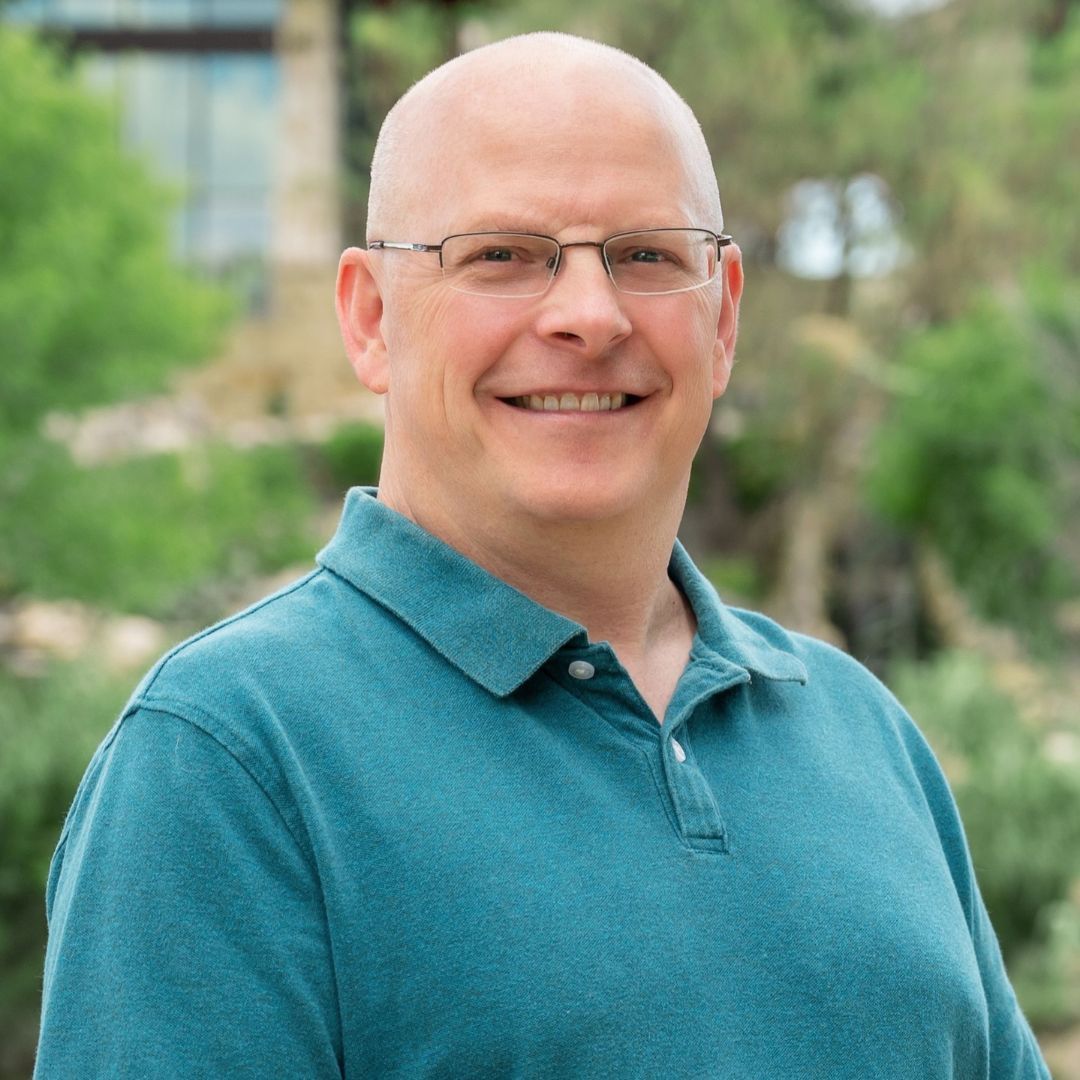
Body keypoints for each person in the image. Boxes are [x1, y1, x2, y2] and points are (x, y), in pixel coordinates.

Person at [35, 31, 1048, 1080]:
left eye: (647, 254)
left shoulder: (861, 733)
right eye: (501, 256)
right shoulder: (230, 761)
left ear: (724, 316)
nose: (587, 316)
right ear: (372, 319)